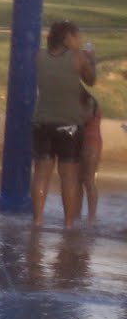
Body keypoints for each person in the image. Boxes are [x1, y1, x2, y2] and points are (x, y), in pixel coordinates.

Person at [31, 20, 98, 230]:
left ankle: (38, 221)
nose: (78, 40)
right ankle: (68, 224)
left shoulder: (39, 56)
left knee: (41, 173)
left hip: (42, 122)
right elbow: (91, 80)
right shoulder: (77, 58)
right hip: (69, 125)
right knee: (68, 175)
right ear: (68, 37)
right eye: (76, 36)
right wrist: (90, 60)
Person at [80, 42, 103, 220]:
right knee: (80, 180)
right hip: (85, 141)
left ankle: (91, 218)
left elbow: (85, 119)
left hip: (90, 142)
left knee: (87, 179)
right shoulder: (83, 95)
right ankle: (79, 215)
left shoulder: (88, 99)